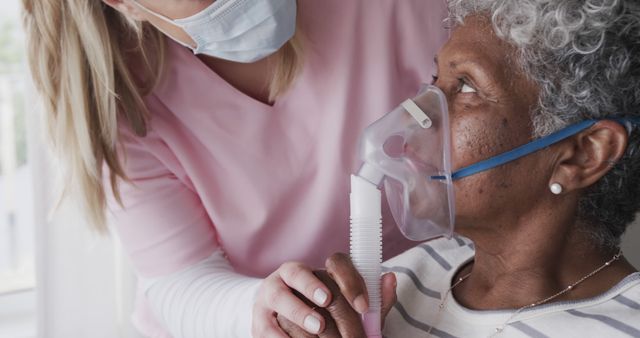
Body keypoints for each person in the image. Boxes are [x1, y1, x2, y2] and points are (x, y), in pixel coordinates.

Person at [21, 0, 449, 337]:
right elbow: (181, 280)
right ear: (125, 3)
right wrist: (265, 309)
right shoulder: (125, 103)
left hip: (423, 293)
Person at [278, 0, 640, 337]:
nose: (415, 116)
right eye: (435, 81)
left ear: (583, 155)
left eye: (467, 86)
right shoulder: (402, 277)